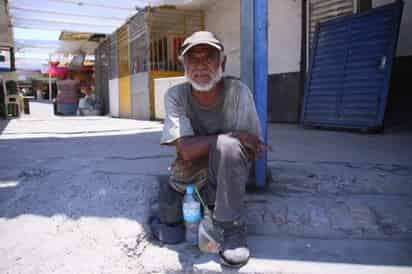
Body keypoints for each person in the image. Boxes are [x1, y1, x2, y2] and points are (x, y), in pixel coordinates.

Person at [157, 31, 271, 268]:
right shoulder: (176, 95)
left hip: (229, 170)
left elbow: (251, 149)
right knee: (170, 219)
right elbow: (185, 150)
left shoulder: (238, 92)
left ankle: (232, 229)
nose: (200, 66)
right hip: (192, 172)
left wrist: (225, 143)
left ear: (222, 62)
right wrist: (234, 136)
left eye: (208, 57)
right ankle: (200, 207)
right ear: (184, 65)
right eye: (192, 59)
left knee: (228, 147)